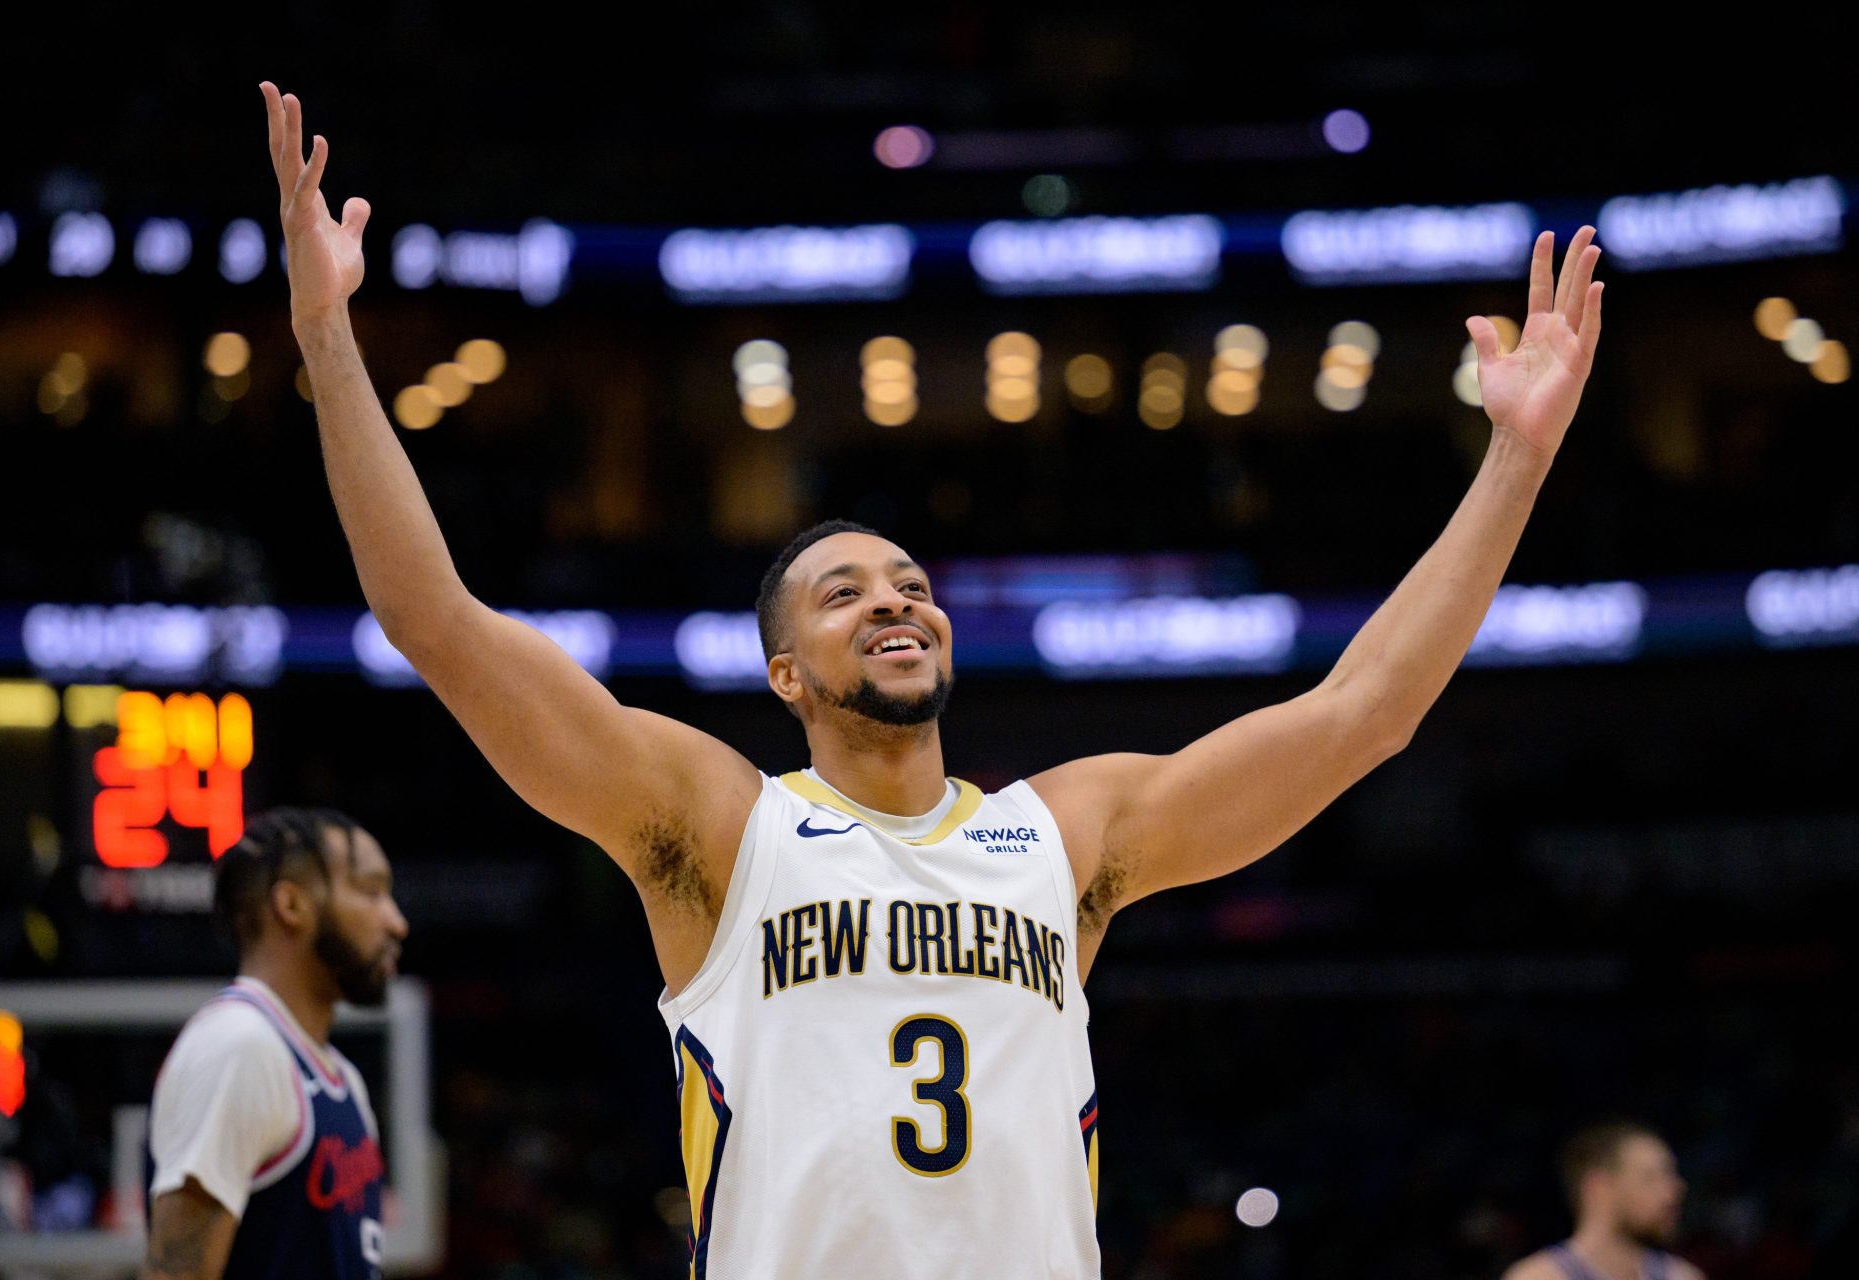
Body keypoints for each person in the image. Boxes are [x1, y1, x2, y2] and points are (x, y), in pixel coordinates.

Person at [259, 80, 1606, 1278]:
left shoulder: (1066, 835)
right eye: (843, 592)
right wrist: (329, 339)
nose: (894, 599)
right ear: (784, 671)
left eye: (907, 580)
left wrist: (1516, 462)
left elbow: (1365, 715)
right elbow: (431, 617)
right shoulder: (722, 829)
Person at [143, 808, 408, 1280]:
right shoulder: (239, 1047)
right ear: (291, 906)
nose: (396, 922)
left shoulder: (341, 1078)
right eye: (370, 891)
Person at [1503, 1122, 1705, 1280]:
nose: (1674, 1191)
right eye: (1651, 1177)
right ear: (1598, 1187)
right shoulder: (1538, 1277)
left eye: (1671, 1176)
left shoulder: (1683, 1276)